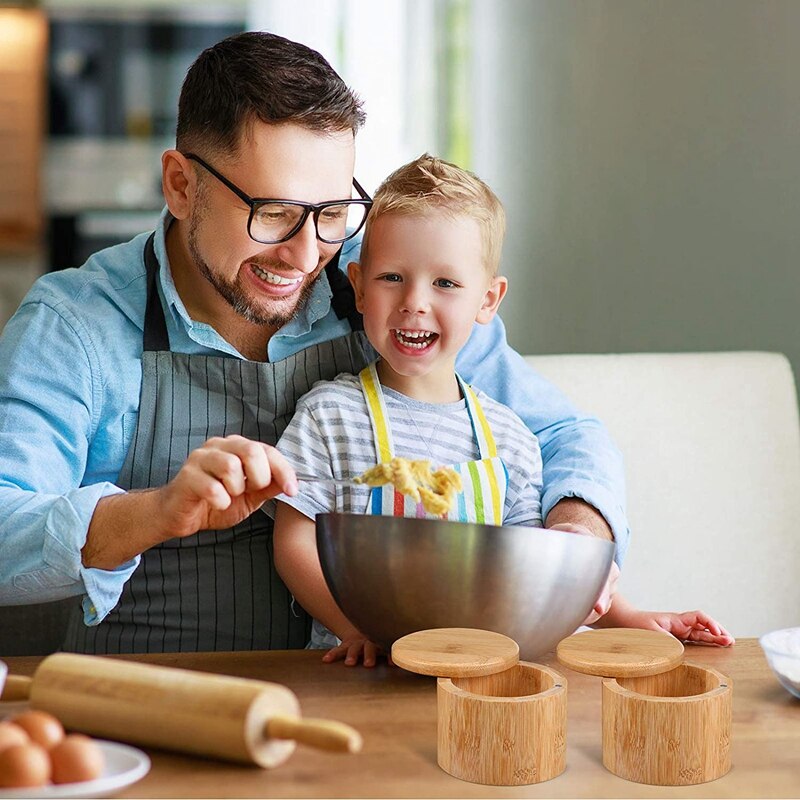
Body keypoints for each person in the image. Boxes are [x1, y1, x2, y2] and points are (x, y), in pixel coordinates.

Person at [0, 32, 627, 655]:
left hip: (360, 691)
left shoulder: (381, 281)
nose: (305, 255)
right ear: (181, 185)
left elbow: (560, 434)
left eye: (330, 211)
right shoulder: (77, 325)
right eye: (272, 212)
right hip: (153, 697)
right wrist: (157, 510)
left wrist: (575, 536)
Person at [272, 154, 733, 666]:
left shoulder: (510, 437)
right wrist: (353, 629)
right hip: (363, 670)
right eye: (391, 278)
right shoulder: (328, 416)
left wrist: (628, 615)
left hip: (481, 666)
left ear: (488, 301)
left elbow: (536, 562)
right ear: (358, 286)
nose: (414, 302)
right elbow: (295, 542)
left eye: (445, 283)